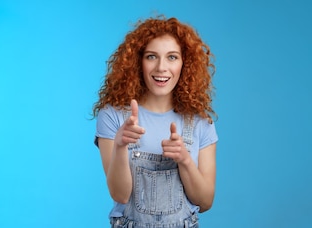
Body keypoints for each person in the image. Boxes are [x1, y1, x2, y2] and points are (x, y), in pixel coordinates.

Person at [92, 15, 218, 228]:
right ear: (138, 62)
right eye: (151, 56)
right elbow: (120, 195)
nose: (161, 67)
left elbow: (205, 202)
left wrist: (185, 160)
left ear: (184, 63)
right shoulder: (113, 116)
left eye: (172, 57)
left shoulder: (200, 122)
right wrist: (120, 146)